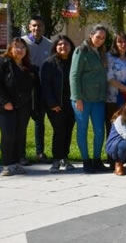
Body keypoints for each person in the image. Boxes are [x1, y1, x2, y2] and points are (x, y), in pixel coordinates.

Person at [0, 38, 40, 176]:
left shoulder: (28, 66)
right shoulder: (2, 62)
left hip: (23, 107)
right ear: (10, 49)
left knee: (19, 135)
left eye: (23, 47)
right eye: (17, 47)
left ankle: (16, 163)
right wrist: (5, 102)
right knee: (8, 134)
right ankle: (7, 165)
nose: (20, 50)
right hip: (4, 106)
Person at [69, 24, 110, 173]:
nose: (100, 40)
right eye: (98, 37)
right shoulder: (81, 51)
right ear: (91, 35)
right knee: (83, 129)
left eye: (103, 38)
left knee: (99, 130)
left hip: (98, 99)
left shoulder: (101, 52)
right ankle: (86, 161)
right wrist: (77, 97)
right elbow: (74, 75)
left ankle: (97, 159)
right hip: (82, 99)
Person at [41, 35, 76, 172]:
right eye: (60, 44)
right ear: (55, 47)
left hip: (72, 104)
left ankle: (65, 158)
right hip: (55, 105)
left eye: (66, 44)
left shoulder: (74, 61)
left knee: (68, 131)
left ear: (71, 47)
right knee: (59, 131)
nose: (63, 47)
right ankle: (56, 159)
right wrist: (52, 103)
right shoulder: (49, 63)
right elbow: (45, 86)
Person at [21, 16, 51, 163]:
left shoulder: (49, 45)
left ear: (43, 28)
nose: (36, 28)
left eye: (39, 26)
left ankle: (40, 152)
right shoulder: (22, 43)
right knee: (23, 121)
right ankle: (21, 154)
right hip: (25, 88)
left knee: (40, 121)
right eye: (33, 26)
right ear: (29, 27)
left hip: (42, 87)